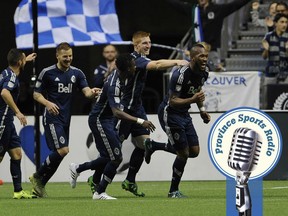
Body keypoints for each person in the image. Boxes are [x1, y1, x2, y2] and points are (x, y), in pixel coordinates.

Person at [69, 54, 156, 200]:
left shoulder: (121, 76)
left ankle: (78, 168)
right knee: (116, 157)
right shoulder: (115, 84)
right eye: (133, 65)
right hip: (100, 120)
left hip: (107, 120)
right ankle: (99, 192)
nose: (136, 67)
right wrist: (140, 121)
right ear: (127, 68)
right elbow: (117, 112)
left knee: (108, 157)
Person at [119, 31, 188, 197]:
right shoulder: (135, 60)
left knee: (144, 145)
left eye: (149, 42)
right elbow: (157, 65)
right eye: (144, 43)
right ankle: (90, 174)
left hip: (137, 107)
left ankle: (129, 180)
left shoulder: (142, 59)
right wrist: (177, 61)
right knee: (113, 152)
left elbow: (155, 62)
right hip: (124, 109)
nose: (148, 45)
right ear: (136, 45)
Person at [29, 42, 101, 197]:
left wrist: (93, 92)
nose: (68, 59)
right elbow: (36, 94)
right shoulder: (47, 73)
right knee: (63, 150)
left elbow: (86, 93)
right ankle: (37, 176)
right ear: (57, 56)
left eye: (70, 56)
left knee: (59, 154)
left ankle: (39, 187)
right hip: (52, 117)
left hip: (66, 118)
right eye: (65, 56)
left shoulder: (77, 73)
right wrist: (47, 103)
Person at [144, 43, 211, 198]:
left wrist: (202, 111)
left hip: (184, 114)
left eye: (206, 56)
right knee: (183, 153)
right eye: (201, 56)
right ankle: (173, 191)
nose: (205, 59)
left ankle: (153, 145)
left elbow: (197, 91)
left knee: (194, 151)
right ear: (193, 58)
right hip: (170, 113)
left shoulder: (204, 72)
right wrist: (193, 99)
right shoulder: (180, 75)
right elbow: (173, 101)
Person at [166, 0, 252, 71]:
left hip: (211, 51)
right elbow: (177, 5)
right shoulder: (194, 10)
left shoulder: (217, 9)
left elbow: (235, 5)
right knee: (188, 73)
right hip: (194, 51)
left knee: (216, 72)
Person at [0, 49, 37, 199]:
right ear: (19, 62)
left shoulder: (7, 72)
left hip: (7, 122)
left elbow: (17, 64)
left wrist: (25, 60)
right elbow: (4, 92)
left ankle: (18, 191)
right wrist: (18, 112)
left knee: (16, 154)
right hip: (2, 120)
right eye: (23, 59)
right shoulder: (12, 78)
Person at [261, 13, 288, 109]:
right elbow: (264, 57)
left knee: (285, 99)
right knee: (267, 99)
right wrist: (266, 49)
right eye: (282, 22)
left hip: (285, 73)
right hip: (271, 73)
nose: (284, 24)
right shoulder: (268, 36)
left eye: (286, 22)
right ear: (276, 23)